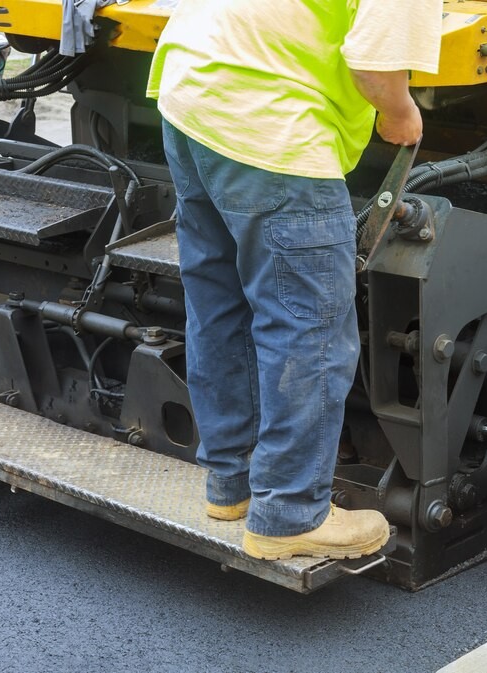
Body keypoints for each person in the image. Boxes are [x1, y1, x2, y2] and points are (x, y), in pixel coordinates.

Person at [146, 0, 442, 560]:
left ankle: (231, 484)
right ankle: (288, 513)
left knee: (219, 302)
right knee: (311, 326)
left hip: (190, 97)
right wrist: (401, 114)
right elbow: (374, 69)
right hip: (270, 124)